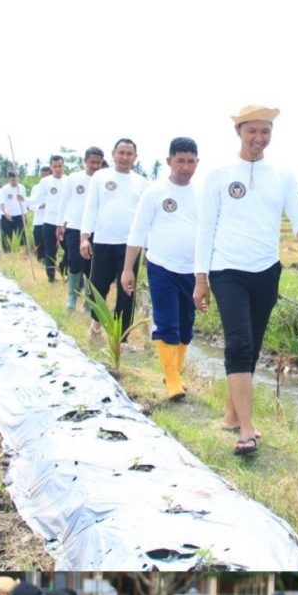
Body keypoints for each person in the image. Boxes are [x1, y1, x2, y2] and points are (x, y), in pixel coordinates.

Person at [194, 105, 298, 457]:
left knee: (254, 344)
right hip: (226, 270)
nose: (259, 138)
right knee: (239, 343)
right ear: (239, 132)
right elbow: (205, 229)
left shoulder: (283, 176)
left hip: (266, 271)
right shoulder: (218, 175)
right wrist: (200, 278)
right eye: (252, 131)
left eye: (265, 131)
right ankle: (247, 429)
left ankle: (232, 414)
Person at [121, 137, 200, 399]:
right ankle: (173, 381)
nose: (185, 167)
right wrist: (128, 269)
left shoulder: (202, 194)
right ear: (169, 161)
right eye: (180, 161)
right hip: (161, 267)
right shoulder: (155, 192)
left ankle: (173, 372)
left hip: (192, 271)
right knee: (167, 321)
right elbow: (137, 231)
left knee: (186, 324)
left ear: (197, 163)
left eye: (191, 162)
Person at [79, 138, 147, 344]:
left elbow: (146, 218)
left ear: (135, 157)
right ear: (113, 154)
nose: (124, 157)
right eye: (121, 153)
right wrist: (84, 237)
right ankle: (96, 323)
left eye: (129, 154)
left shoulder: (141, 182)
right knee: (98, 287)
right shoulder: (100, 177)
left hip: (130, 245)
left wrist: (147, 246)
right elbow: (90, 208)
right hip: (103, 241)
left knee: (127, 291)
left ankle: (121, 338)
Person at [61, 147, 105, 309]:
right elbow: (64, 201)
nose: (95, 166)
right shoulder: (74, 178)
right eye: (92, 162)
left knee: (92, 267)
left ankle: (88, 302)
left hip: (96, 230)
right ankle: (72, 297)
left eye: (98, 163)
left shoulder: (104, 180)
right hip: (75, 227)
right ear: (85, 161)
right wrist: (60, 223)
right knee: (74, 262)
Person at [35, 156, 69, 282]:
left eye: (60, 166)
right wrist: (24, 200)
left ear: (63, 166)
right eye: (55, 166)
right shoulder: (45, 182)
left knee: (69, 249)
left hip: (65, 221)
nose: (58, 169)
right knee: (50, 251)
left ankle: (63, 267)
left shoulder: (69, 180)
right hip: (49, 221)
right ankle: (51, 277)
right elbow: (35, 199)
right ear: (51, 167)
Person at [25, 164, 54, 259]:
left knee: (51, 247)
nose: (45, 178)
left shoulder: (56, 186)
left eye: (47, 176)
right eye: (43, 176)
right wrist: (39, 206)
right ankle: (41, 263)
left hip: (52, 222)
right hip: (39, 222)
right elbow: (30, 206)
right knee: (40, 246)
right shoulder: (36, 188)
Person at [0, 169, 29, 254]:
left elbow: (24, 202)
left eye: (15, 179)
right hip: (6, 216)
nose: (14, 181)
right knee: (6, 237)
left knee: (22, 236)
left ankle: (23, 254)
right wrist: (5, 212)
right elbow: (2, 203)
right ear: (9, 179)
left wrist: (25, 215)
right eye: (12, 179)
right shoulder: (4, 189)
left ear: (18, 178)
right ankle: (7, 254)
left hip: (19, 215)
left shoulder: (22, 188)